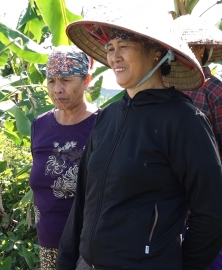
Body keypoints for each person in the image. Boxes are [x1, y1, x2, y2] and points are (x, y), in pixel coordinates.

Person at [55, 5, 222, 270]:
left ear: (157, 51)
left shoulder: (184, 121)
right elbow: (83, 201)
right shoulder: (107, 116)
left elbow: (212, 213)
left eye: (125, 46)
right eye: (110, 48)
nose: (114, 57)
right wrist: (66, 261)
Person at [29, 46, 98, 269]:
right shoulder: (40, 124)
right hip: (48, 241)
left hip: (89, 245)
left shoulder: (103, 124)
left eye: (66, 80)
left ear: (86, 80)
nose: (57, 89)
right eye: (51, 81)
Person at [175, 14, 222, 270]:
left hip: (204, 210)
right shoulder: (166, 92)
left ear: (202, 49)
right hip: (172, 209)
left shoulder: (215, 92)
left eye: (188, 46)